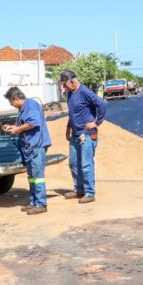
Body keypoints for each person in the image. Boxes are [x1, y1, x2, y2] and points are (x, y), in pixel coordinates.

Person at [2, 87, 52, 215]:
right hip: (30, 147)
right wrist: (13, 127)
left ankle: (41, 204)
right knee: (32, 176)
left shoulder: (31, 105)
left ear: (16, 98)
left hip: (36, 145)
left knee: (37, 176)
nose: (11, 105)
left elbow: (34, 122)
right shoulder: (23, 108)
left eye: (11, 102)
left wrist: (18, 129)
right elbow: (25, 124)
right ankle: (34, 202)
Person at [59, 70, 107, 204]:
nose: (63, 87)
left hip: (86, 135)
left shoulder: (84, 91)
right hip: (75, 135)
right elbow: (72, 113)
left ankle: (90, 193)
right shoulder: (70, 93)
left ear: (72, 81)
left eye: (64, 84)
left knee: (86, 164)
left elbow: (102, 104)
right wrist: (68, 129)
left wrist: (96, 122)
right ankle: (79, 190)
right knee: (73, 163)